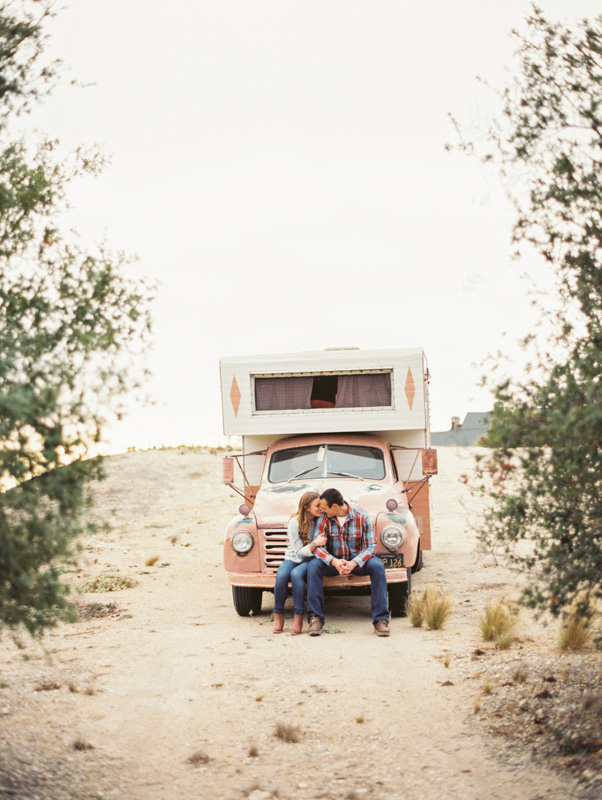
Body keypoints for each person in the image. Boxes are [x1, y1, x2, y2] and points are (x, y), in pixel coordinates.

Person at [306, 488, 391, 637]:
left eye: (324, 507)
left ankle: (381, 620)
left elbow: (371, 546)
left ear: (335, 506)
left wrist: (354, 563)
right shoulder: (324, 518)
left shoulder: (362, 516)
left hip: (358, 562)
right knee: (313, 566)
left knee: (377, 566)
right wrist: (334, 561)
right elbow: (318, 548)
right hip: (334, 563)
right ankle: (315, 618)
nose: (321, 510)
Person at [272, 491, 327, 635]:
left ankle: (298, 617)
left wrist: (314, 547)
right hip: (293, 557)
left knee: (296, 575)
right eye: (317, 506)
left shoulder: (319, 521)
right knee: (282, 575)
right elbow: (298, 553)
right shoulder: (294, 522)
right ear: (306, 507)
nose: (320, 508)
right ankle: (278, 615)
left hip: (310, 559)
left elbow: (314, 551)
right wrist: (315, 543)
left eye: (321, 505)